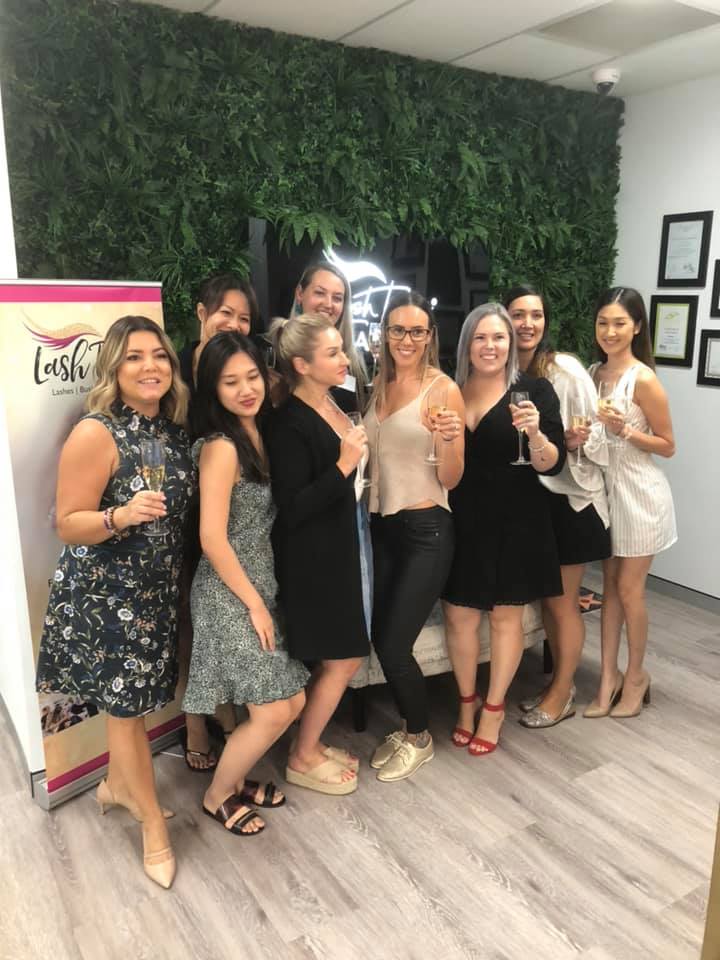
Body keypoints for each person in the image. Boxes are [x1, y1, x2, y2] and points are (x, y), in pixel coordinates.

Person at [36, 315, 195, 889]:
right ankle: (153, 824)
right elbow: (67, 524)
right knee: (128, 713)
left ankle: (115, 787)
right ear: (114, 369)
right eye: (133, 357)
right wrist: (119, 515)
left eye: (159, 355)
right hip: (105, 598)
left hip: (154, 596)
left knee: (136, 706)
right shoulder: (96, 432)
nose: (150, 366)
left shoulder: (174, 431)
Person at [183, 332, 308, 835]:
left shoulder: (260, 434)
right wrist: (254, 604)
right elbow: (212, 537)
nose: (245, 389)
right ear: (213, 390)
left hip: (260, 584)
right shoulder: (221, 447)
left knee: (290, 702)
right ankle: (217, 795)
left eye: (252, 376)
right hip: (228, 592)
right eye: (230, 382)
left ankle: (234, 780)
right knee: (275, 708)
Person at [442, 303, 565, 756]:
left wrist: (536, 436)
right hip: (462, 517)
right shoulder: (450, 390)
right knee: (459, 614)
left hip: (517, 519)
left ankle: (493, 709)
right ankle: (466, 701)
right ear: (467, 346)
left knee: (505, 616)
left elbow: (551, 463)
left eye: (498, 338)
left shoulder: (534, 390)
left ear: (511, 344)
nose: (490, 346)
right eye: (480, 338)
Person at [266, 313, 370, 795]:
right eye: (332, 353)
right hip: (312, 560)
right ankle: (302, 754)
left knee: (340, 657)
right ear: (302, 364)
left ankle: (311, 744)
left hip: (339, 546)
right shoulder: (287, 423)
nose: (344, 358)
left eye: (340, 349)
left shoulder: (333, 402)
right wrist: (345, 463)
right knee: (345, 657)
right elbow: (292, 508)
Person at [364, 291, 465, 781]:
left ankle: (419, 736)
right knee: (381, 636)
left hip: (427, 528)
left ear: (430, 337)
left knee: (394, 641)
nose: (407, 339)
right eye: (398, 330)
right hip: (381, 529)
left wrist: (448, 440)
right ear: (385, 334)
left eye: (417, 331)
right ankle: (408, 726)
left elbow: (451, 478)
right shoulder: (376, 385)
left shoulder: (442, 389)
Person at [504, 285, 611, 729]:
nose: (528, 323)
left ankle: (562, 692)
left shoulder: (563, 369)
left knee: (563, 603)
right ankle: (556, 685)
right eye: (518, 314)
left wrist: (574, 443)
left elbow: (597, 432)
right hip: (539, 501)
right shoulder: (507, 371)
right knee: (550, 602)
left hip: (574, 500)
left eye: (536, 314)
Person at [176, 274, 261, 770]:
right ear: (202, 312)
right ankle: (196, 726)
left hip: (229, 515)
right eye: (225, 312)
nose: (233, 322)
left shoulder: (245, 377)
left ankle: (229, 724)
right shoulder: (176, 372)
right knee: (193, 629)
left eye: (244, 317)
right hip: (183, 516)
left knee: (213, 624)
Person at [587, 287, 676, 718]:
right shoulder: (593, 372)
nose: (610, 331)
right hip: (605, 496)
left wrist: (624, 431)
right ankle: (608, 678)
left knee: (629, 589)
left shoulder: (643, 379)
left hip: (640, 497)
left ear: (637, 326)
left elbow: (667, 445)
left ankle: (636, 674)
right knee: (609, 591)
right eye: (603, 322)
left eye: (619, 323)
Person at [292, 261, 367, 412]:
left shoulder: (352, 359)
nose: (328, 304)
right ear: (300, 294)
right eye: (319, 293)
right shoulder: (278, 353)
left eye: (337, 298)